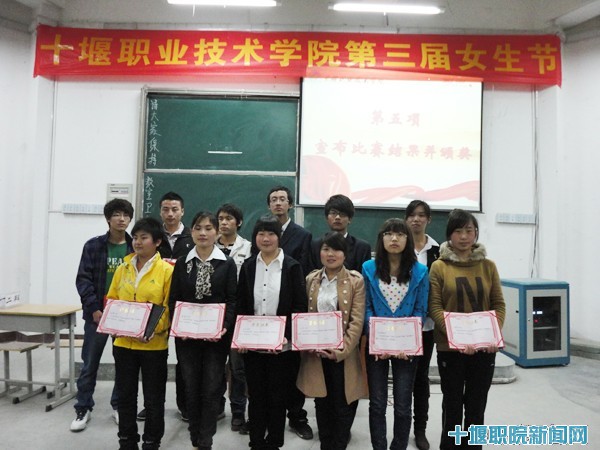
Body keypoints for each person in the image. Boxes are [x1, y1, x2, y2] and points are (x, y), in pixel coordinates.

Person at [428, 209, 506, 450]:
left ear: (476, 233)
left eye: (469, 231)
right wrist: (457, 338)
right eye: (458, 231)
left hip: (484, 348)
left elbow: (498, 304)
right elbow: (435, 307)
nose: (463, 236)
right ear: (449, 234)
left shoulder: (488, 266)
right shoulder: (439, 267)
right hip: (450, 349)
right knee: (452, 406)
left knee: (476, 406)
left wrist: (493, 335)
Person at [236, 214, 308, 450]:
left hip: (282, 347)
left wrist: (286, 335)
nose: (265, 238)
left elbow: (299, 306)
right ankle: (256, 441)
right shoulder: (248, 266)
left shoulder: (292, 267)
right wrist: (241, 337)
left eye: (271, 234)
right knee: (256, 395)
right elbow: (241, 304)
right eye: (261, 233)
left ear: (279, 237)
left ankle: (274, 442)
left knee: (278, 397)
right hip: (253, 345)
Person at [169, 211, 238, 450]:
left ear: (217, 232)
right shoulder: (182, 263)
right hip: (186, 337)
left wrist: (225, 326)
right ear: (192, 231)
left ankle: (206, 438)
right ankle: (194, 433)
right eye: (198, 228)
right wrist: (177, 325)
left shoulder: (226, 263)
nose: (203, 233)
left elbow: (232, 299)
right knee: (190, 386)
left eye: (209, 228)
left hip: (216, 339)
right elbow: (174, 298)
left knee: (211, 387)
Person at [362, 218, 429, 450]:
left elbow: (420, 310)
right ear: (381, 239)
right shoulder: (368, 268)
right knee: (377, 404)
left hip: (406, 348)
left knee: (402, 405)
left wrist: (407, 343)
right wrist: (377, 340)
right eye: (388, 234)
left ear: (407, 240)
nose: (394, 239)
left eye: (400, 234)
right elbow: (366, 307)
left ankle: (398, 446)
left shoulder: (420, 271)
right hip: (376, 346)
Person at [297, 232, 367, 450]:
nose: (330, 254)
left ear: (345, 254)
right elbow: (304, 316)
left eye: (336, 249)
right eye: (326, 249)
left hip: (342, 355)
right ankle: (325, 443)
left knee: (342, 402)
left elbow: (356, 321)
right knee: (321, 401)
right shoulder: (311, 279)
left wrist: (341, 350)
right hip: (316, 354)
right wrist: (306, 342)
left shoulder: (355, 281)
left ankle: (338, 444)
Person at [107, 217, 173, 450]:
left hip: (153, 345)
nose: (137, 242)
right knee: (125, 396)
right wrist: (113, 323)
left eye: (144, 238)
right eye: (135, 237)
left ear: (157, 242)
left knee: (154, 398)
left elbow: (168, 308)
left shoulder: (167, 271)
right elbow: (112, 300)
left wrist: (150, 329)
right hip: (123, 343)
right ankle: (127, 440)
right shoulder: (123, 268)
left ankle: (152, 441)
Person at [71, 198, 134, 432]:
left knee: (124, 365)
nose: (121, 219)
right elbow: (83, 279)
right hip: (96, 314)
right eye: (116, 214)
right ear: (108, 218)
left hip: (125, 316)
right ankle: (83, 407)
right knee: (90, 364)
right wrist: (94, 309)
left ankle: (119, 406)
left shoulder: (135, 247)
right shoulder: (93, 246)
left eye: (125, 215)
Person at [137, 191, 194, 423]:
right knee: (153, 362)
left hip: (183, 307)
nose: (170, 214)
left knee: (184, 361)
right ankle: (151, 406)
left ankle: (185, 405)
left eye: (175, 209)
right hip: (155, 307)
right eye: (166, 209)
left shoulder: (192, 237)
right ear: (160, 211)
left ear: (182, 211)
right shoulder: (153, 237)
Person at [264, 185, 313, 439]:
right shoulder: (261, 233)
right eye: (274, 199)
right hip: (264, 314)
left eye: (282, 199)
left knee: (292, 370)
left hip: (291, 311)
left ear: (290, 204)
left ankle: (296, 417)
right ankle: (263, 416)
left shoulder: (302, 235)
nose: (278, 203)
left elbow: (304, 274)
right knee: (264, 372)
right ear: (269, 205)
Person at [405, 200, 440, 450]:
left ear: (428, 219)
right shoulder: (397, 245)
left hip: (426, 326)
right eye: (412, 215)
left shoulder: (438, 250)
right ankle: (401, 427)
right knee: (402, 380)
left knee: (420, 379)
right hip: (399, 326)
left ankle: (420, 430)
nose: (416, 219)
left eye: (421, 215)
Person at [216, 203, 252, 433]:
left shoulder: (248, 248)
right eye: (220, 218)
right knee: (215, 366)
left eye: (229, 218)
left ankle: (238, 411)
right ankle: (216, 405)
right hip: (214, 316)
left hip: (239, 315)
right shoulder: (209, 246)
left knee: (238, 369)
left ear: (238, 222)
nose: (224, 222)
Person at [308, 194, 371, 272]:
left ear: (350, 219)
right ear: (327, 217)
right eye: (333, 213)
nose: (337, 217)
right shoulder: (315, 245)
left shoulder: (362, 248)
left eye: (343, 214)